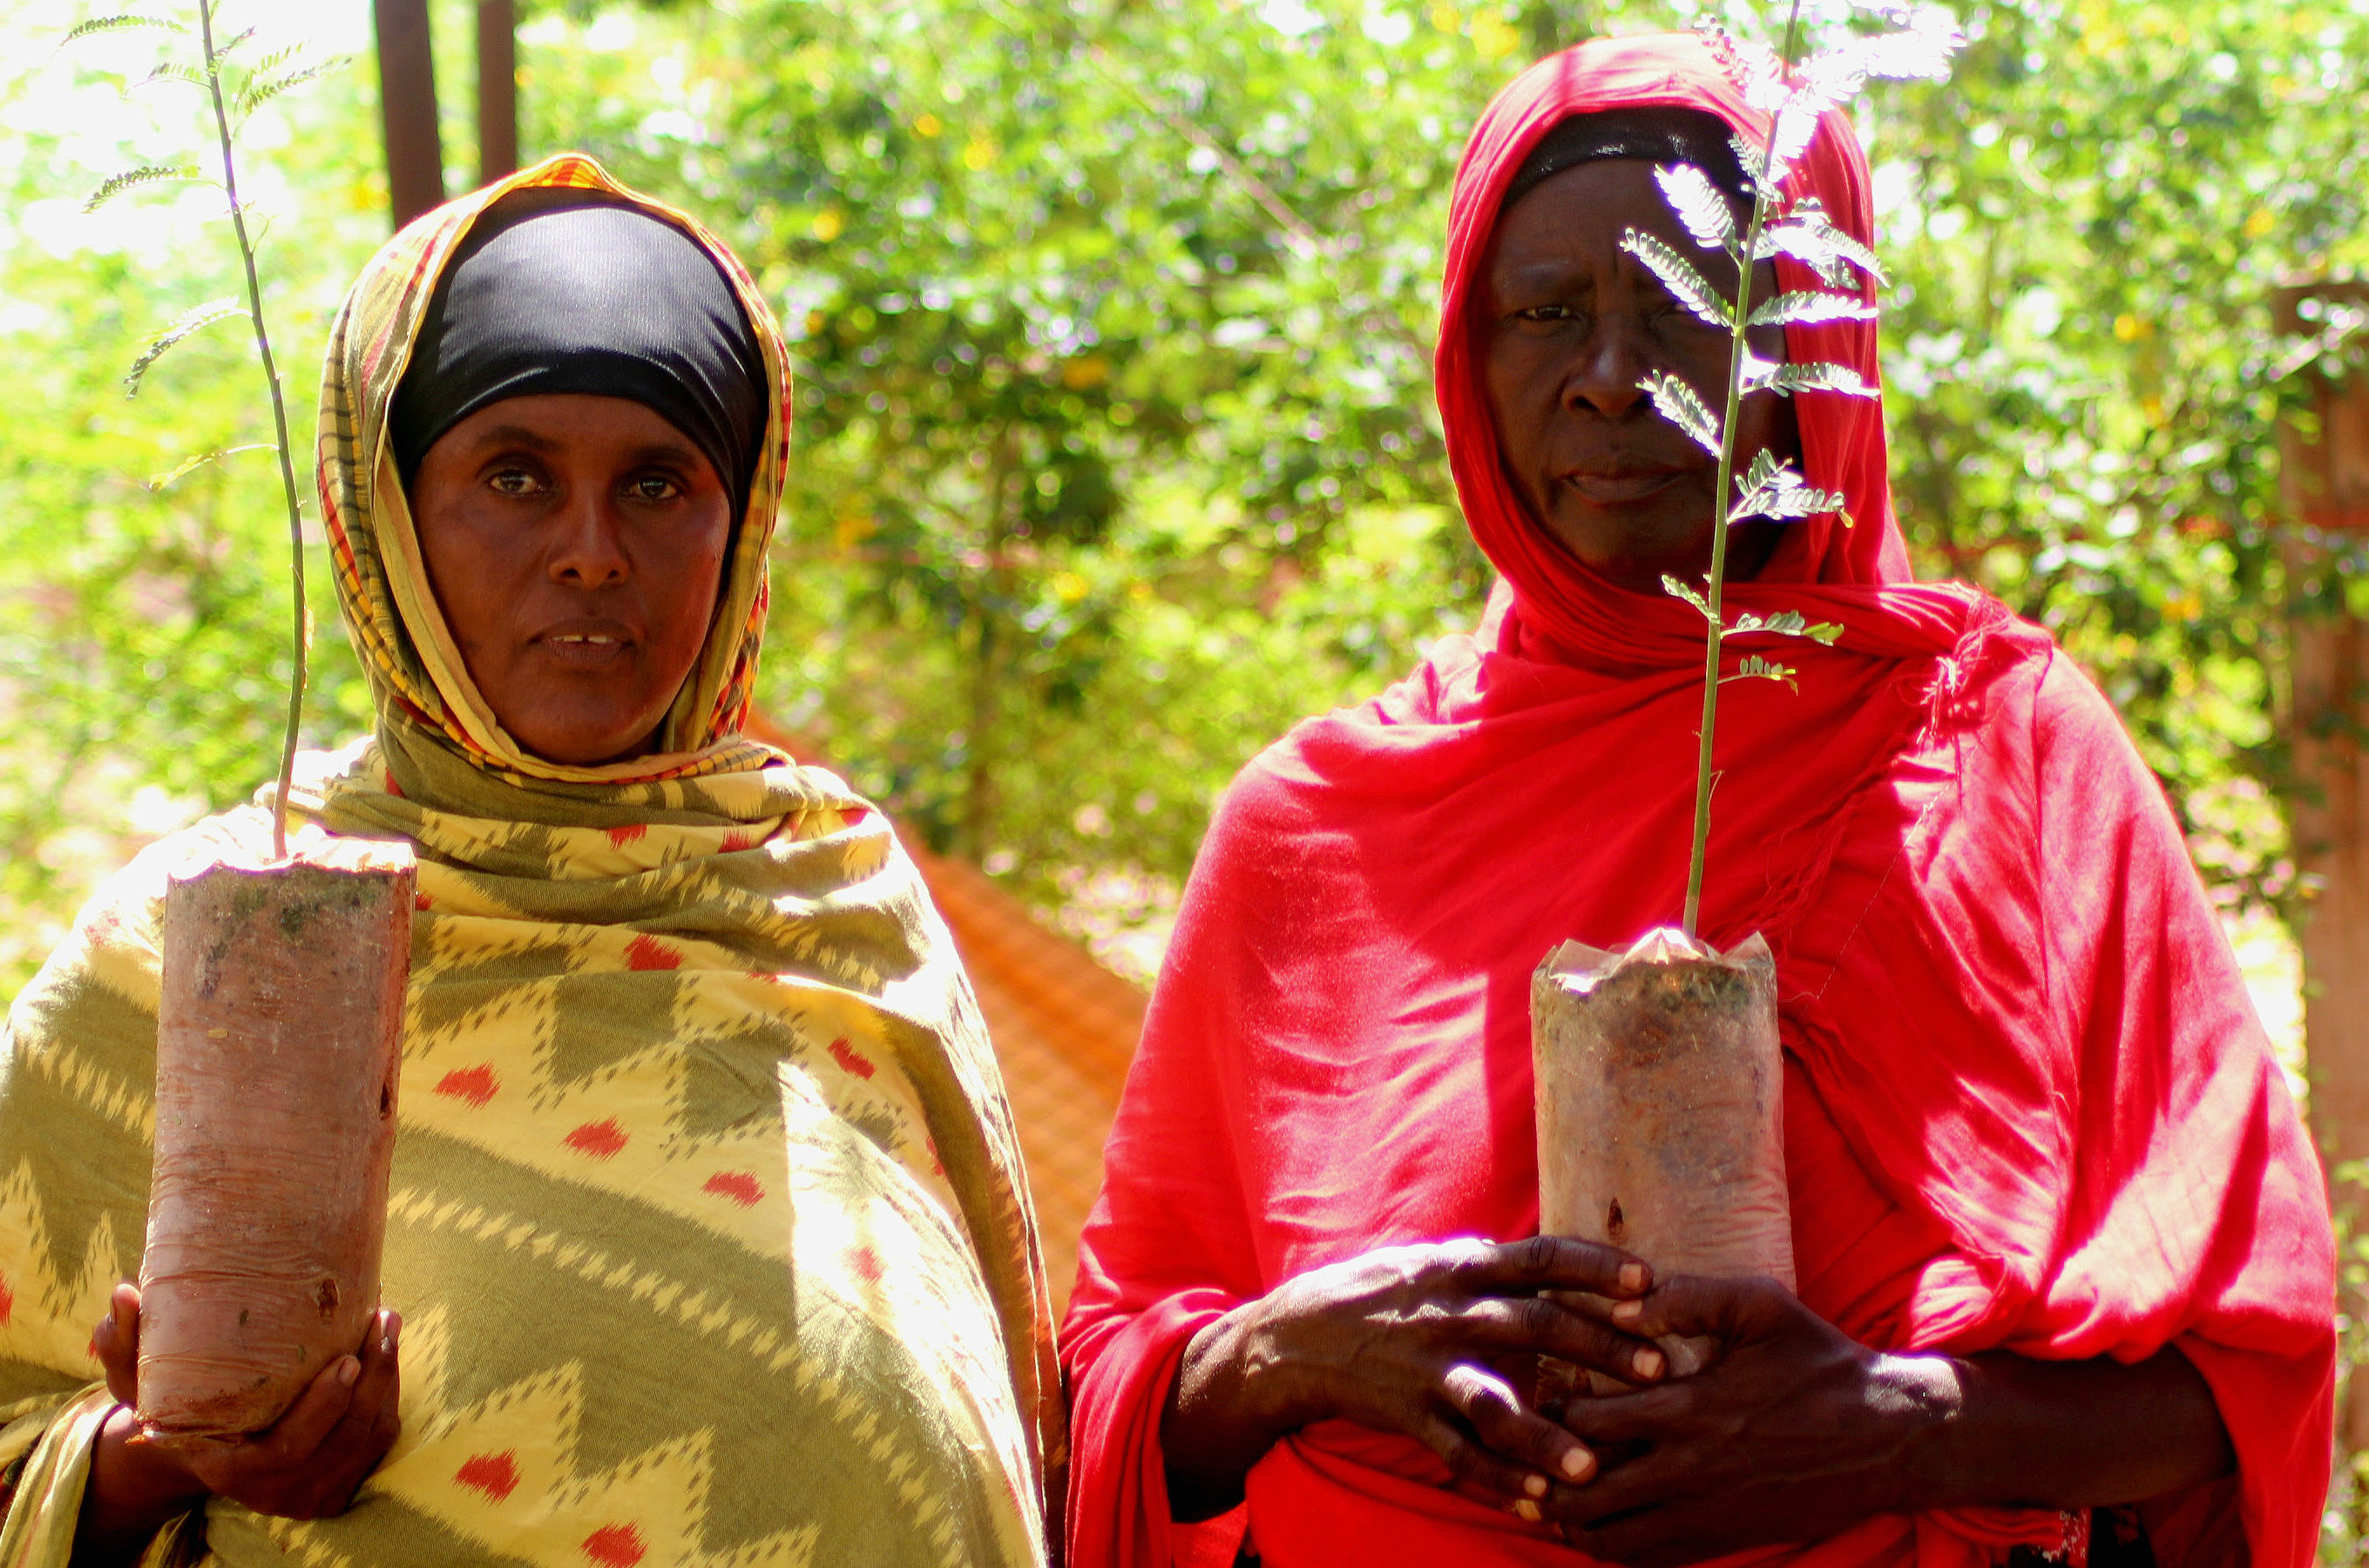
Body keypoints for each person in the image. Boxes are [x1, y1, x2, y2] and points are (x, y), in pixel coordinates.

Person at [1061, 33, 2333, 1568]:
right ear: (1470, 355)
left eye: (1683, 309)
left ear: (1811, 350)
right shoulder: (1314, 829)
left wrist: (1890, 1425)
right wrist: (1289, 1352)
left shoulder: (2001, 749)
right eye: (1545, 314)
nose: (1608, 380)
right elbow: (1106, 1387)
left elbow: (2242, 1366)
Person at [0, 157, 1059, 1568]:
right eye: (513, 477)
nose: (590, 553)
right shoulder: (226, 934)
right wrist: (143, 1467)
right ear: (386, 518)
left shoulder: (825, 894)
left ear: (739, 527)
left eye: (658, 484)